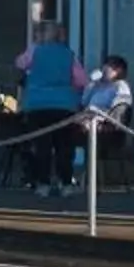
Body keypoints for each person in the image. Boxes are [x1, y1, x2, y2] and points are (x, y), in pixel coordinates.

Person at [13, 22, 84, 195]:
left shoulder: (35, 51)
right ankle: (66, 183)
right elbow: (82, 80)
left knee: (41, 146)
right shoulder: (69, 54)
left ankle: (43, 184)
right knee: (64, 147)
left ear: (42, 35)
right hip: (65, 106)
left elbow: (20, 64)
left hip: (38, 105)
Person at [79, 53, 134, 190]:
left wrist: (98, 116)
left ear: (119, 71)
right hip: (87, 120)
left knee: (84, 135)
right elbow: (83, 101)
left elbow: (119, 111)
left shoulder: (120, 86)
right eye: (104, 66)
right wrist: (91, 84)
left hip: (106, 128)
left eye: (109, 67)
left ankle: (91, 181)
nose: (104, 70)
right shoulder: (98, 86)